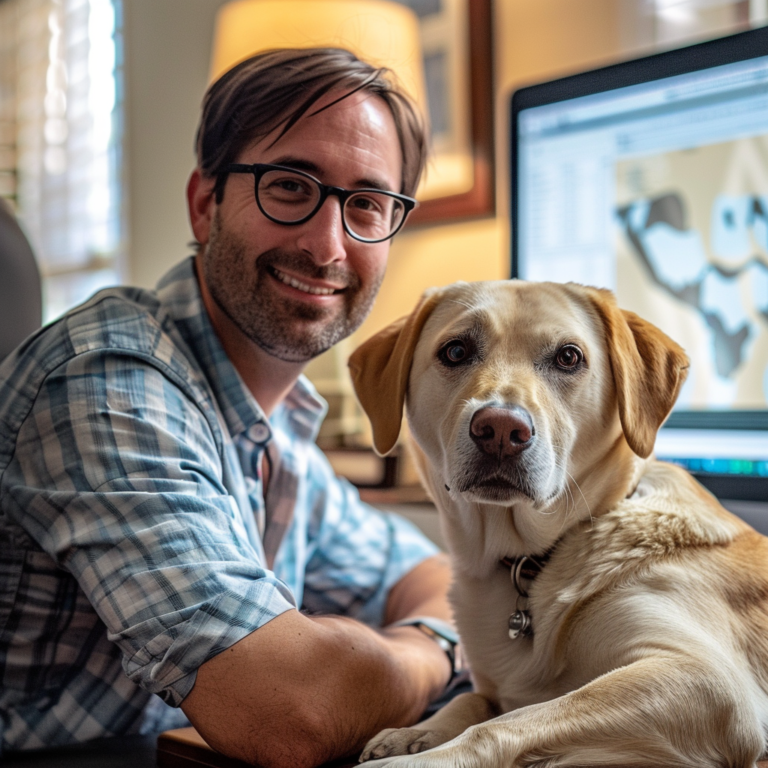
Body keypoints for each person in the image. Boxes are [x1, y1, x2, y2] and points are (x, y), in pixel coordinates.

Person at [0, 48, 459, 768]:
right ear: (205, 204)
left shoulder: (275, 427)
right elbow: (290, 712)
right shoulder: (111, 386)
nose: (327, 245)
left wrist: (393, 648)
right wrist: (435, 651)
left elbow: (433, 576)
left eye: (367, 203)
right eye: (288, 186)